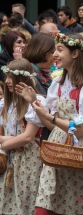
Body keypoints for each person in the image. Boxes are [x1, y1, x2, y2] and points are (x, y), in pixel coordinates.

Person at [16, 33, 83, 215]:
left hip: (80, 151)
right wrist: (34, 103)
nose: (54, 54)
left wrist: (50, 117)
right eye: (54, 50)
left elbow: (82, 130)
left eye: (59, 49)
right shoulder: (58, 83)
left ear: (74, 54)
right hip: (56, 151)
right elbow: (52, 126)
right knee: (50, 201)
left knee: (80, 203)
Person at [0, 58, 47, 214]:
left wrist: (6, 144)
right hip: (8, 159)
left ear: (25, 79)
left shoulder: (36, 102)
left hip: (28, 159)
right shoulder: (6, 102)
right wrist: (5, 142)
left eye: (11, 77)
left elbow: (27, 137)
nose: (7, 81)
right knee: (8, 201)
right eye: (6, 76)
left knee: (27, 200)